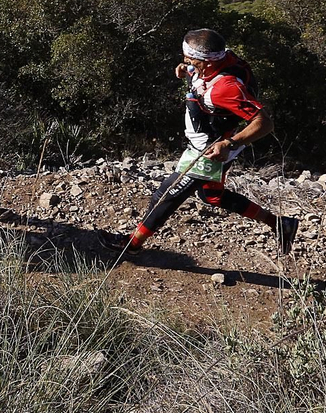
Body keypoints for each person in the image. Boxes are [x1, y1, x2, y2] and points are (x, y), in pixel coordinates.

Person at [112, 28, 299, 256]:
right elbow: (202, 72)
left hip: (208, 150)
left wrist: (229, 143)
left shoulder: (226, 89)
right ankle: (281, 224)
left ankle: (130, 246)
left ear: (207, 62)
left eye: (191, 61)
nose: (187, 64)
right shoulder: (222, 58)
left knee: (166, 195)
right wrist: (189, 71)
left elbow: (265, 123)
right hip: (207, 143)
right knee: (212, 196)